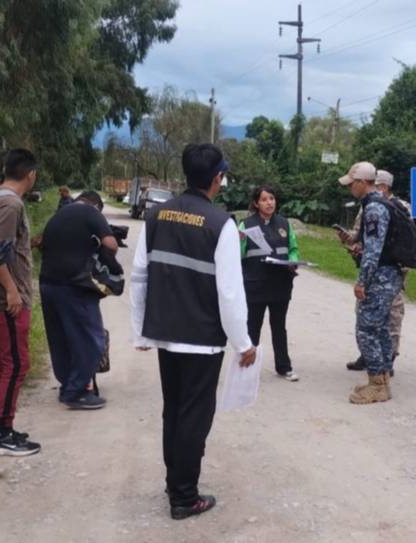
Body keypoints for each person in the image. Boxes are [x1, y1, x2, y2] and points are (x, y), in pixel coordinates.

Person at [130, 143, 257, 520]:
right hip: (202, 341)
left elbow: (139, 275)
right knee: (194, 417)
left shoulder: (156, 215)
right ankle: (184, 497)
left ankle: (175, 484)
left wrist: (140, 332)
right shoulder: (222, 224)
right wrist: (244, 343)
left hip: (166, 335)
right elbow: (230, 293)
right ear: (217, 178)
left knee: (173, 411)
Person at [0, 149, 42, 456]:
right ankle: (3, 433)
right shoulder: (9, 203)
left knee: (0, 362)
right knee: (15, 364)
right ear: (31, 174)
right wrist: (12, 290)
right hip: (8, 302)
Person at [39, 190, 118, 409]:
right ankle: (77, 392)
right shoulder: (91, 212)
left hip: (47, 284)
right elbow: (111, 245)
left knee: (61, 340)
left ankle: (68, 386)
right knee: (91, 339)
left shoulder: (58, 215)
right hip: (75, 286)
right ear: (96, 205)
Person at [339, 162, 403, 404]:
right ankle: (383, 379)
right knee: (381, 328)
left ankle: (376, 384)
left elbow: (373, 251)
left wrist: (362, 282)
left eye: (351, 184)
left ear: (362, 182)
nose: (350, 189)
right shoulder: (381, 203)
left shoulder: (374, 208)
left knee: (366, 330)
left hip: (380, 277)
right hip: (390, 274)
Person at [239, 186, 301, 381]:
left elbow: (293, 249)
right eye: (264, 199)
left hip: (280, 284)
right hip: (255, 284)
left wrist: (293, 261)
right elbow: (239, 253)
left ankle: (284, 367)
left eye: (272, 198)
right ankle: (247, 369)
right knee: (253, 327)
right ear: (256, 203)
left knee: (279, 326)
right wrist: (239, 240)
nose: (269, 203)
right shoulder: (246, 225)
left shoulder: (284, 224)